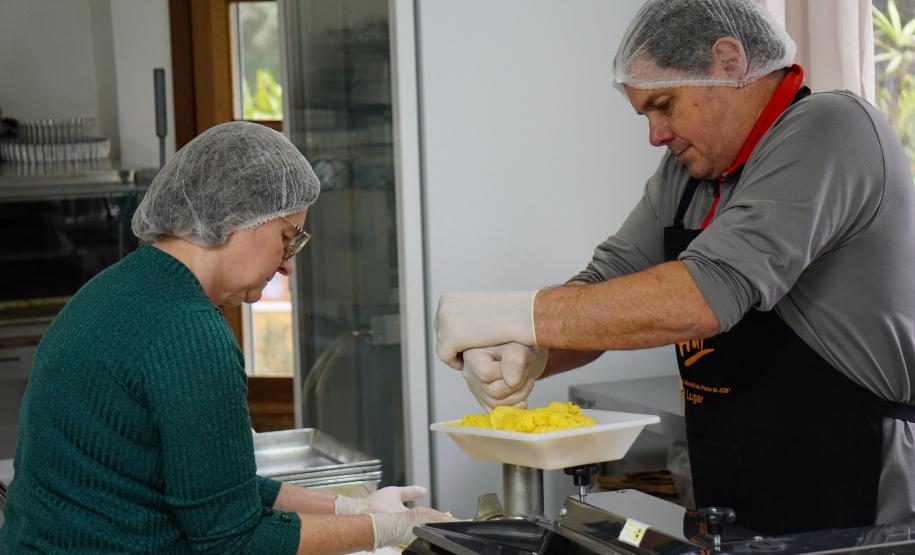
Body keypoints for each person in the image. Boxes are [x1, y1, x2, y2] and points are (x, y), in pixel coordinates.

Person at [434, 0, 915, 536]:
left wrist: (515, 315)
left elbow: (704, 296)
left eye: (664, 105)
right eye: (646, 115)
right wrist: (532, 352)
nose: (656, 135)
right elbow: (604, 286)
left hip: (853, 486)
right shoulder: (686, 175)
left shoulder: (831, 129)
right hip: (730, 486)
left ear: (728, 62)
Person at [0, 121, 451, 553]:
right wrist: (387, 529)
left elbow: (210, 490)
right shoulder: (190, 332)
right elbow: (233, 542)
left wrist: (350, 507)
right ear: (237, 218)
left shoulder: (117, 287)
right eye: (287, 237)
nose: (288, 264)